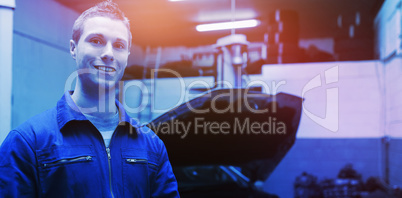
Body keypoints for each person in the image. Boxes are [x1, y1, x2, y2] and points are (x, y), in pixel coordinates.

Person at [0, 1, 179, 197]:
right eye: (96, 41)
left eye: (119, 45)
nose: (109, 53)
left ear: (127, 55)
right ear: (73, 48)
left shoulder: (152, 146)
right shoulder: (27, 143)